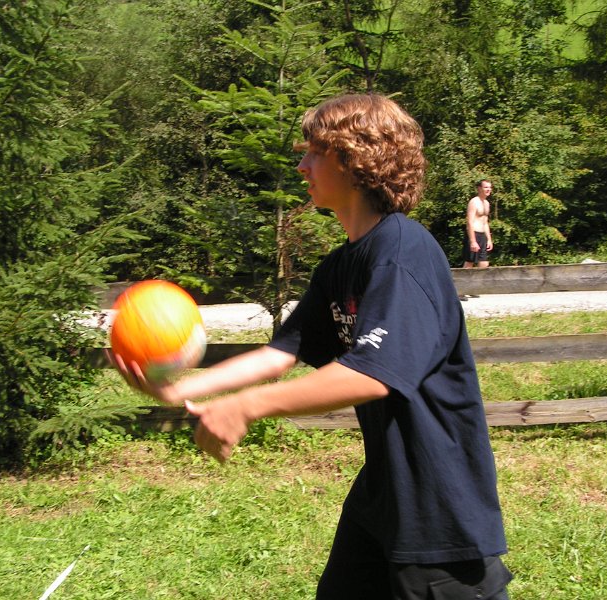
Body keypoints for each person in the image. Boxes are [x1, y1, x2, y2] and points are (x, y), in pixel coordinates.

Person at [112, 93, 512, 599]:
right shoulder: (341, 265)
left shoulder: (402, 253)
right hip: (384, 494)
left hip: (438, 507)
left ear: (356, 158)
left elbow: (372, 373)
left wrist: (245, 407)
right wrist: (177, 391)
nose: (302, 166)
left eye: (315, 153)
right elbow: (280, 354)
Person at [462, 179, 494, 269]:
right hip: (473, 234)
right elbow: (469, 222)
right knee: (469, 263)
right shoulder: (474, 202)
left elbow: (485, 222)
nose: (488, 189)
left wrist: (489, 239)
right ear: (479, 188)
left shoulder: (486, 203)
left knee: (484, 263)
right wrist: (473, 241)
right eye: (486, 187)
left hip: (482, 236)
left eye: (490, 187)